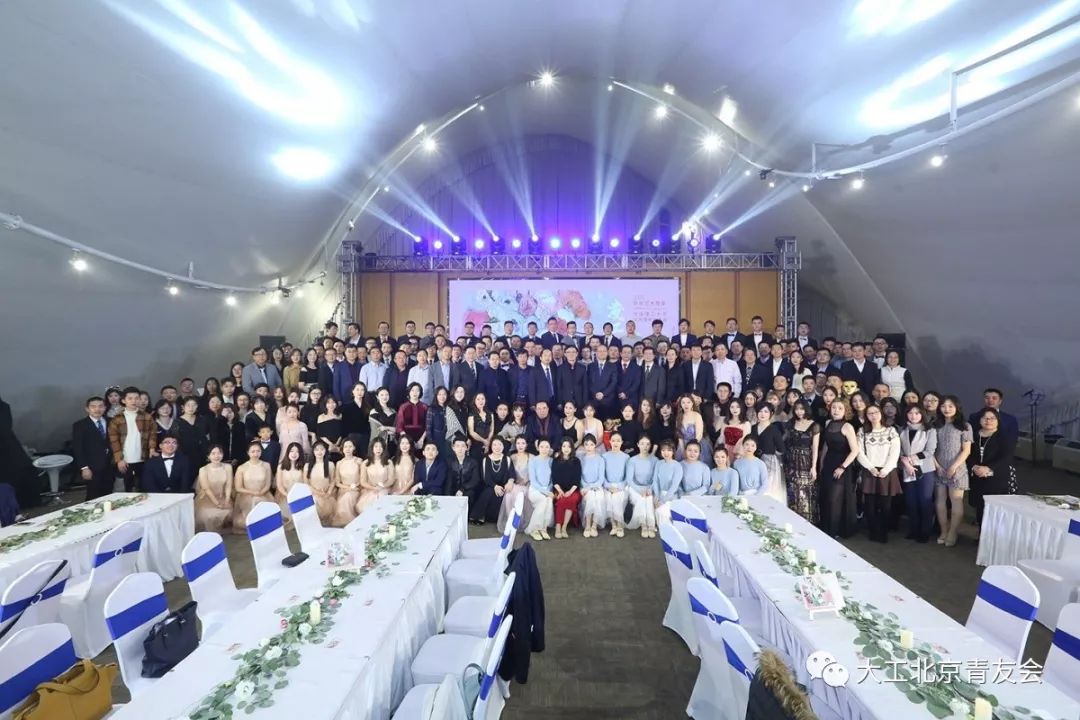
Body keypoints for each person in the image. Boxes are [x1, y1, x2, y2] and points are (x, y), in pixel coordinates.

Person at [856, 405, 901, 543]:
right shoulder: (862, 431)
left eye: (876, 412)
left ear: (881, 413)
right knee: (870, 505)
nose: (873, 415)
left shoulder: (891, 431)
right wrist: (871, 468)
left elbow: (895, 452)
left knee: (885, 505)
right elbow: (859, 452)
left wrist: (886, 469)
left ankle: (883, 532)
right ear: (866, 416)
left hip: (887, 471)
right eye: (869, 413)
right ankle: (873, 531)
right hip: (870, 470)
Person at [968, 408, 1016, 529]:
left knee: (996, 512)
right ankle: (981, 536)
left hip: (997, 478)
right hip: (977, 477)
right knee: (980, 509)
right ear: (980, 420)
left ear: (998, 421)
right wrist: (974, 467)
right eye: (985, 418)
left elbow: (1007, 457)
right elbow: (968, 454)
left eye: (992, 418)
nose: (988, 420)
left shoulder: (1004, 436)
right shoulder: (973, 436)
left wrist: (988, 468)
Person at [933, 395, 972, 547]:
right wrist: (937, 466)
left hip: (957, 469)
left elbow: (966, 450)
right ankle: (943, 530)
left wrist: (954, 467)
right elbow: (930, 449)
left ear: (957, 407)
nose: (947, 409)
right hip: (939, 469)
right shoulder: (935, 425)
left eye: (950, 406)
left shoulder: (965, 426)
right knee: (940, 501)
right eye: (943, 406)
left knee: (956, 501)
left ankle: (953, 532)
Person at [899, 405, 937, 543]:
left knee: (925, 501)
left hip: (925, 469)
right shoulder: (902, 429)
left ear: (922, 415)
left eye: (917, 413)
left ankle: (925, 531)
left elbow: (930, 451)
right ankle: (913, 530)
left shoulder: (929, 430)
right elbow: (899, 450)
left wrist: (910, 458)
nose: (913, 416)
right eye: (910, 413)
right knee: (911, 501)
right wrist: (905, 461)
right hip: (907, 469)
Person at [108, 386, 157, 492]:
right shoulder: (117, 418)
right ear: (123, 400)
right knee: (127, 489)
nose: (134, 401)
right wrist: (119, 459)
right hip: (125, 460)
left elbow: (153, 434)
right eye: (130, 398)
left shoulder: (147, 417)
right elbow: (114, 440)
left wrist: (152, 448)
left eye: (136, 398)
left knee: (144, 488)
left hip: (143, 458)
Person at [783, 400, 820, 524]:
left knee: (806, 493)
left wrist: (814, 467)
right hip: (791, 462)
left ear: (806, 409)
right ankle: (792, 521)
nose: (799, 411)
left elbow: (815, 448)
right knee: (792, 491)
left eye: (802, 409)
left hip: (806, 462)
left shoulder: (814, 425)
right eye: (797, 409)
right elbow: (783, 441)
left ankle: (807, 523)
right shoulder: (790, 423)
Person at [72, 396, 114, 500]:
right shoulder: (80, 425)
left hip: (110, 465)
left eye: (100, 406)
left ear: (105, 408)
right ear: (87, 409)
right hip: (92, 467)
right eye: (93, 406)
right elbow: (78, 448)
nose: (97, 409)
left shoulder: (111, 422)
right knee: (93, 495)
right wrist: (84, 468)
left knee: (109, 494)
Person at [232, 441, 275, 532]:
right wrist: (253, 493)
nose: (256, 454)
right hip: (246, 495)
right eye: (253, 451)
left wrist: (261, 492)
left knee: (260, 502)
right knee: (254, 503)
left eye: (258, 451)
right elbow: (238, 488)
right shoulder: (241, 468)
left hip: (263, 494)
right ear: (248, 453)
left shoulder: (266, 465)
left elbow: (268, 484)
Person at [749, 405, 786, 504]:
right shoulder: (753, 428)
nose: (762, 414)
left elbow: (781, 449)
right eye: (760, 411)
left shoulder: (774, 429)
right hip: (753, 461)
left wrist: (771, 454)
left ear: (771, 414)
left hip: (769, 463)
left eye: (766, 411)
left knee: (768, 488)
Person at [471, 436, 512, 525]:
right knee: (488, 491)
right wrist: (495, 486)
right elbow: (486, 477)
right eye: (494, 445)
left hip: (503, 486)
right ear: (491, 446)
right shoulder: (486, 459)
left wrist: (510, 482)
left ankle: (495, 517)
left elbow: (511, 474)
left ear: (503, 446)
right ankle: (478, 516)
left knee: (503, 494)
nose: (497, 447)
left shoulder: (507, 459)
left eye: (500, 445)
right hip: (489, 485)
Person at [195, 445, 233, 532]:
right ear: (208, 456)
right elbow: (206, 489)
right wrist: (217, 503)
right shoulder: (203, 470)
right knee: (209, 514)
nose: (216, 456)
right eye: (213, 453)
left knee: (230, 511)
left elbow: (228, 485)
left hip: (222, 496)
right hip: (208, 497)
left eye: (219, 453)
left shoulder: (228, 467)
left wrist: (227, 500)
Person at [625, 436, 658, 537]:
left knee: (649, 498)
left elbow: (655, 479)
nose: (645, 446)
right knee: (641, 498)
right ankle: (643, 525)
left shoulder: (655, 460)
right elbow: (629, 480)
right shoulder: (632, 460)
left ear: (650, 445)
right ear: (638, 445)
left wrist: (650, 489)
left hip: (649, 487)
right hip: (635, 487)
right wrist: (640, 490)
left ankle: (651, 524)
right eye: (642, 443)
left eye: (648, 444)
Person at [524, 439, 555, 541]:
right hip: (535, 490)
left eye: (547, 447)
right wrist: (545, 492)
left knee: (548, 500)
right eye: (542, 447)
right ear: (538, 448)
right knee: (543, 500)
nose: (544, 449)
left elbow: (552, 480)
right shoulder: (533, 461)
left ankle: (543, 528)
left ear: (550, 448)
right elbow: (533, 481)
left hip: (548, 489)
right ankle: (534, 529)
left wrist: (549, 490)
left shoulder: (551, 461)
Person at [552, 438, 583, 538]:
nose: (566, 449)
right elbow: (554, 479)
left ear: (572, 448)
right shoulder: (556, 461)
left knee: (571, 499)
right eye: (564, 446)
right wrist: (560, 491)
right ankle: (558, 526)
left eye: (569, 446)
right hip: (559, 489)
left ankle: (564, 527)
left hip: (573, 490)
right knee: (561, 499)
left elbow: (577, 479)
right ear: (561, 447)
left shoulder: (576, 461)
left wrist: (570, 492)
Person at [578, 435, 607, 538]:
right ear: (583, 446)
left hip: (597, 487)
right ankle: (587, 525)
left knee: (597, 497)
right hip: (584, 486)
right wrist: (585, 487)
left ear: (595, 445)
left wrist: (591, 487)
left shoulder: (600, 459)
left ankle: (594, 525)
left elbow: (601, 478)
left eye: (591, 444)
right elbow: (580, 476)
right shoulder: (581, 459)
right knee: (590, 497)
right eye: (586, 444)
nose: (589, 447)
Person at [601, 431, 630, 537]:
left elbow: (627, 477)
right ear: (610, 442)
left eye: (618, 441)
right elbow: (602, 475)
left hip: (621, 486)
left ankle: (619, 524)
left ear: (621, 442)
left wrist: (618, 487)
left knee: (617, 498)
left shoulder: (626, 457)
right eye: (613, 440)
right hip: (607, 486)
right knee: (609, 498)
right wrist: (608, 486)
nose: (616, 443)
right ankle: (613, 525)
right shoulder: (604, 456)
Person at [357, 437, 395, 515]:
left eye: (381, 447)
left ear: (384, 449)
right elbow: (363, 481)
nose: (378, 449)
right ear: (372, 448)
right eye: (376, 446)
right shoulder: (365, 463)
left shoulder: (389, 462)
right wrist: (373, 488)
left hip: (385, 489)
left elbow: (391, 479)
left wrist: (382, 486)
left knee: (380, 499)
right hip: (370, 489)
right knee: (367, 505)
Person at [332, 439, 364, 526]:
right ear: (342, 449)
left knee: (348, 498)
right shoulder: (339, 463)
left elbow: (362, 478)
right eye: (345, 447)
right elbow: (337, 482)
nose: (348, 449)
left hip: (356, 488)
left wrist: (355, 486)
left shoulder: (359, 461)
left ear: (354, 448)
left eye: (350, 446)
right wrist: (348, 488)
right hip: (343, 489)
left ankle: (351, 523)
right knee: (344, 499)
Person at [651, 440, 683, 524]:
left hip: (671, 496)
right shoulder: (659, 463)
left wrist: (662, 501)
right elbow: (655, 481)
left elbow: (674, 486)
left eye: (669, 450)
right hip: (659, 494)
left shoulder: (677, 466)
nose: (666, 453)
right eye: (663, 450)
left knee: (662, 512)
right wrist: (657, 496)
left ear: (673, 451)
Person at [306, 441, 336, 525]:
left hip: (327, 494)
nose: (319, 452)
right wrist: (318, 492)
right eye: (316, 450)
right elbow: (306, 484)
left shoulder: (330, 464)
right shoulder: (307, 466)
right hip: (313, 494)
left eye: (322, 449)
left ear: (326, 451)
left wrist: (329, 492)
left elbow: (333, 480)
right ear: (313, 451)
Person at [276, 442, 305, 521]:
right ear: (287, 452)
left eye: (297, 451)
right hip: (284, 495)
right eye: (291, 451)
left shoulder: (303, 467)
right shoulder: (281, 466)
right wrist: (288, 495)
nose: (294, 454)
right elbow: (279, 485)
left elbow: (305, 484)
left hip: (299, 495)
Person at [395, 382, 428, 447]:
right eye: (412, 390)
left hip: (422, 438)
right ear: (409, 392)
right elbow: (399, 426)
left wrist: (421, 440)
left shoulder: (425, 407)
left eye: (417, 390)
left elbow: (428, 426)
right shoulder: (403, 407)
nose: (415, 393)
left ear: (420, 392)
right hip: (406, 439)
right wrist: (408, 440)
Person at [675, 394, 705, 460]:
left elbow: (699, 435)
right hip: (683, 445)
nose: (686, 405)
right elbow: (679, 436)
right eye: (683, 403)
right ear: (680, 405)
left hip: (696, 443)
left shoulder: (697, 415)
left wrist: (691, 449)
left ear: (692, 403)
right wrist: (683, 451)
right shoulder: (679, 417)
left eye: (688, 402)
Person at [467, 392, 494, 461]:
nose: (480, 401)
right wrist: (484, 441)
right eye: (478, 399)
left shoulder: (490, 413)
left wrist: (488, 442)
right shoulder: (471, 414)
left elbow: (492, 429)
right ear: (474, 401)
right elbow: (471, 432)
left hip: (488, 443)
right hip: (476, 444)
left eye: (482, 399)